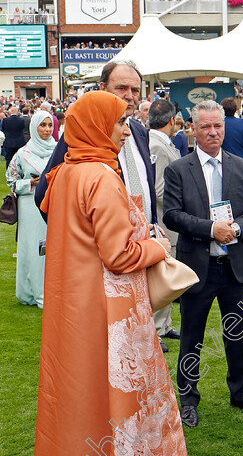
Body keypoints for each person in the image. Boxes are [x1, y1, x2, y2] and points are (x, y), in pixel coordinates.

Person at [28, 91, 196, 456]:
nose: (126, 129)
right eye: (120, 121)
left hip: (69, 308)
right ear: (99, 125)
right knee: (119, 407)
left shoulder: (63, 174)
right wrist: (160, 246)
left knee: (76, 404)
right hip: (109, 309)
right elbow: (120, 256)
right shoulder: (101, 176)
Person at [34, 61, 169, 352]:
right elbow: (46, 193)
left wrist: (146, 226)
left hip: (136, 250)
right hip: (105, 265)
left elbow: (143, 185)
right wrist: (80, 240)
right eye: (122, 88)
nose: (130, 95)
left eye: (135, 89)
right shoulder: (84, 137)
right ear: (102, 89)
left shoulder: (139, 131)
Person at [163, 100, 243, 428]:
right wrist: (211, 229)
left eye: (218, 126)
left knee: (236, 334)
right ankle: (188, 399)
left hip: (234, 267)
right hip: (198, 267)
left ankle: (240, 393)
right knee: (191, 335)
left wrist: (236, 228)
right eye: (206, 126)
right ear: (192, 129)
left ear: (225, 127)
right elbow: (172, 214)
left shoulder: (239, 166)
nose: (212, 132)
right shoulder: (179, 169)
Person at [6, 111, 56, 308]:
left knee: (53, 248)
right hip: (29, 206)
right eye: (42, 125)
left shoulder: (58, 151)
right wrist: (30, 183)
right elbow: (11, 179)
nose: (46, 129)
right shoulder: (22, 153)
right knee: (32, 249)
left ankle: (52, 291)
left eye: (49, 125)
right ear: (34, 127)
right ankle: (32, 292)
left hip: (53, 205)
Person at [148, 99, 181, 345]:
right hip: (164, 221)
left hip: (168, 220)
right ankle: (157, 329)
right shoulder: (157, 145)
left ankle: (165, 325)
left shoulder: (161, 142)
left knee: (169, 277)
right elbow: (158, 189)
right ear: (171, 120)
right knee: (162, 278)